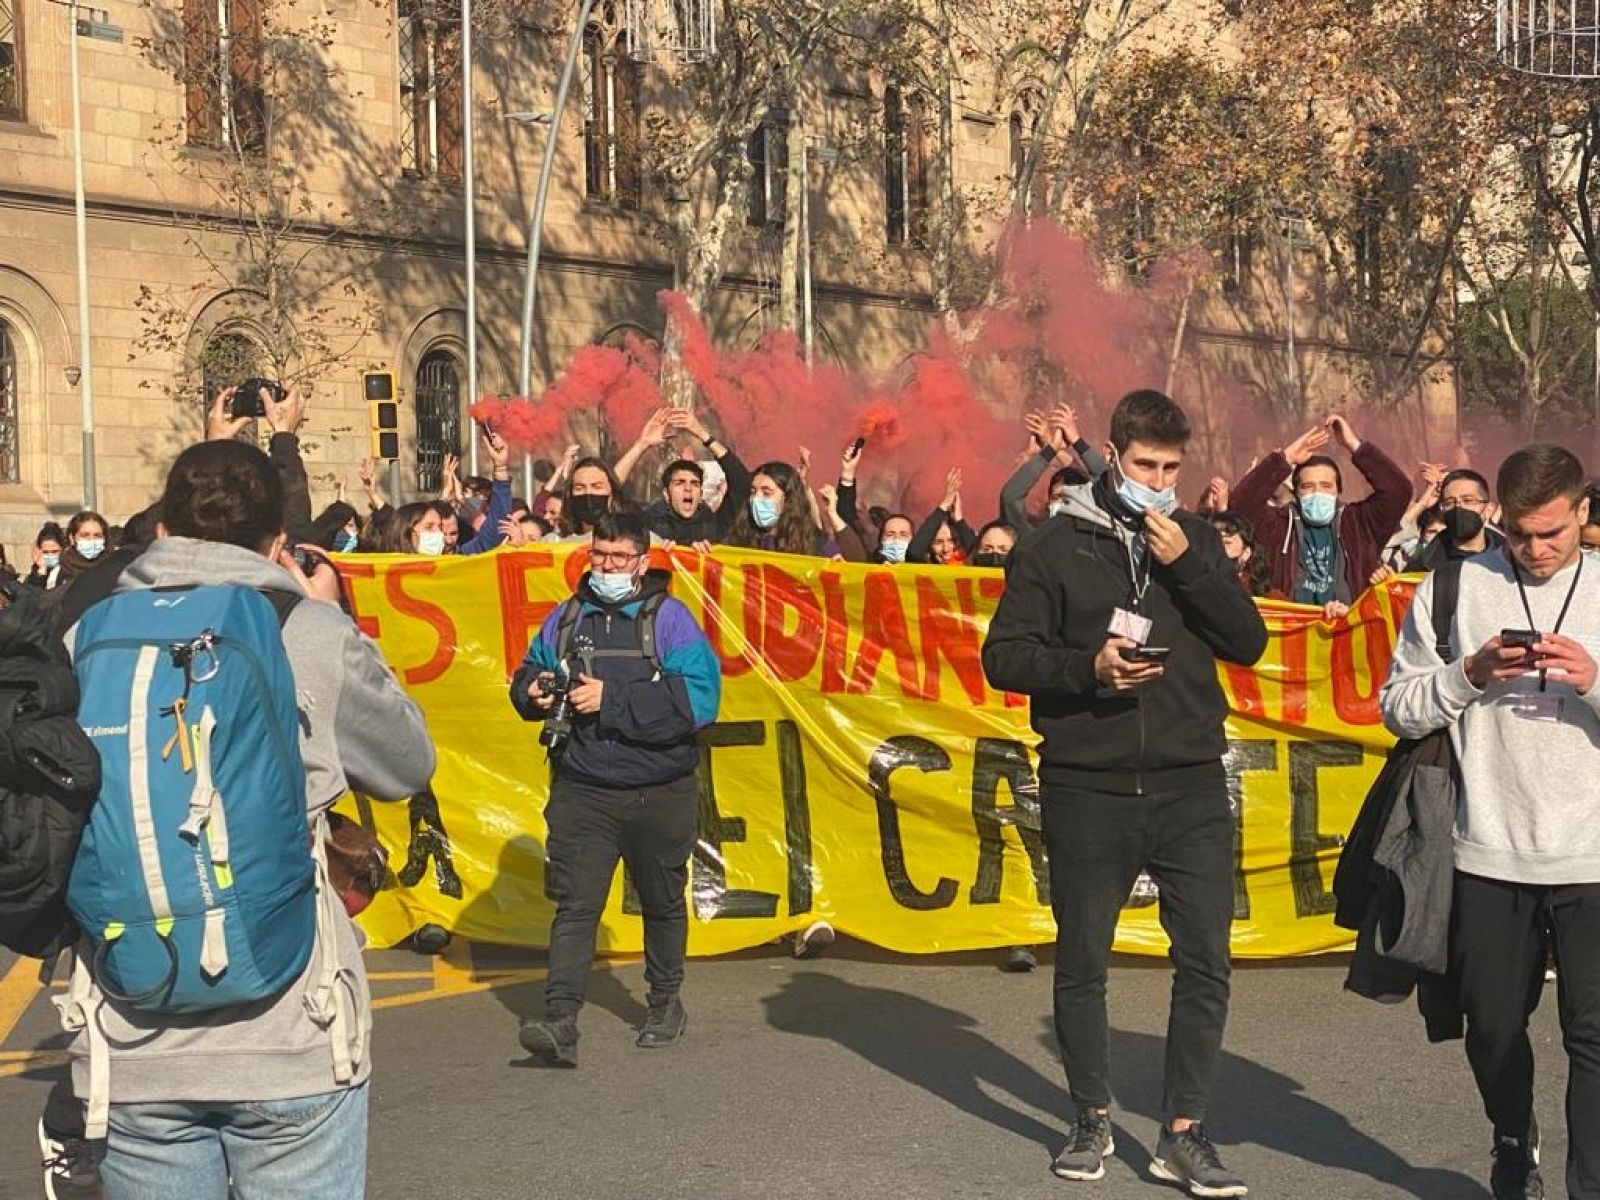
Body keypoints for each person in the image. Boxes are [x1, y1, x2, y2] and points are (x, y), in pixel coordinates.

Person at [58, 438, 435, 1199]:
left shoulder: (86, 639)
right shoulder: (309, 631)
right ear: (277, 543)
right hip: (292, 1024)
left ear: (161, 532)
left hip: (134, 1026)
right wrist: (338, 625)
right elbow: (407, 764)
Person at [981, 388, 1268, 1195]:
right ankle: (1090, 1117)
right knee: (1081, 961)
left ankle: (1184, 1131)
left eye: (1173, 468)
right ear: (1114, 456)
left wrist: (1189, 563)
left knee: (1207, 960)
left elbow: (1246, 641)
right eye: (1146, 466)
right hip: (1087, 783)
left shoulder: (1198, 538)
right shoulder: (1054, 544)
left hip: (1189, 783)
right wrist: (1089, 670)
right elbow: (1004, 657)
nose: (1160, 481)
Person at [1380, 443, 1600, 1200]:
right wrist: (1467, 674)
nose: (1537, 552)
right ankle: (1514, 1139)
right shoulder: (1453, 588)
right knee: (1495, 1027)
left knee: (1594, 1038)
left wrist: (1595, 682)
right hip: (1485, 852)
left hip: (1593, 858)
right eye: (1522, 536)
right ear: (1500, 518)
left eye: (1554, 534)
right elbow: (1397, 708)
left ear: (1583, 513)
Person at [510, 511, 721, 1067]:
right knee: (576, 906)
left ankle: (664, 1002)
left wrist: (613, 701)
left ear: (642, 563)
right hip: (584, 788)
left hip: (660, 787)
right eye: (597, 556)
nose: (604, 566)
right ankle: (560, 1019)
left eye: (617, 558)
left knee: (661, 901)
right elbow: (528, 671)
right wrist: (530, 692)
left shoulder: (669, 620)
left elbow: (700, 702)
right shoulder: (567, 616)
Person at [1230, 414, 1412, 619]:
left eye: (1326, 486)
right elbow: (1239, 506)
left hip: (1347, 632)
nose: (1317, 493)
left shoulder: (1359, 523)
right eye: (1308, 486)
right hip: (1294, 634)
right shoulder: (1277, 525)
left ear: (1338, 491)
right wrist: (1286, 459)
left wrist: (1354, 445)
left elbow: (1398, 491)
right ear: (1296, 492)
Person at [629, 409, 753, 545]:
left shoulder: (714, 527)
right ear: (666, 494)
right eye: (680, 483)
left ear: (700, 494)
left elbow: (741, 481)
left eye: (694, 483)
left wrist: (702, 434)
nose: (688, 488)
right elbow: (608, 490)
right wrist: (641, 445)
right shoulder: (649, 525)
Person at [999, 404, 1108, 531]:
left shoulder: (1095, 535)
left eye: (1069, 499)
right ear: (1048, 503)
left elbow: (1107, 481)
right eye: (1057, 498)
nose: (1063, 505)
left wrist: (1076, 441)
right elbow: (1011, 496)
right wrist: (1050, 450)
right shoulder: (1035, 538)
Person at [725, 461, 836, 557]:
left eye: (766, 493)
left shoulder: (816, 544)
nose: (756, 499)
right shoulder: (737, 541)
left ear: (788, 499)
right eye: (753, 492)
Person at [1407, 468, 1504, 572]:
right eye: (1449, 503)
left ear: (1488, 509)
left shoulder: (1510, 561)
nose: (1458, 508)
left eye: (1468, 500)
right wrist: (1421, 504)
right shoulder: (1424, 566)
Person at [545, 456, 634, 543]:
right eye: (579, 488)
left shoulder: (636, 540)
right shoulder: (552, 542)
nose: (588, 493)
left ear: (612, 493)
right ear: (570, 494)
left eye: (597, 487)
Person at [908, 468, 977, 565]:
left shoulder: (970, 569)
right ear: (929, 546)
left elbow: (974, 552)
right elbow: (914, 553)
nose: (945, 549)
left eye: (952, 541)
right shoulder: (923, 568)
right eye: (938, 542)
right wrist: (944, 505)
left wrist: (959, 519)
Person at [1209, 510, 1278, 599]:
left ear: (1246, 553)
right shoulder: (1193, 591)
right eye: (1213, 542)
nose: (1218, 548)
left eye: (1227, 543)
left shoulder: (1271, 601)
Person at [24, 523, 66, 590]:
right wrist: (41, 573)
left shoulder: (68, 571)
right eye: (45, 552)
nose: (50, 555)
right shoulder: (36, 570)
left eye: (55, 551)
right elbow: (30, 594)